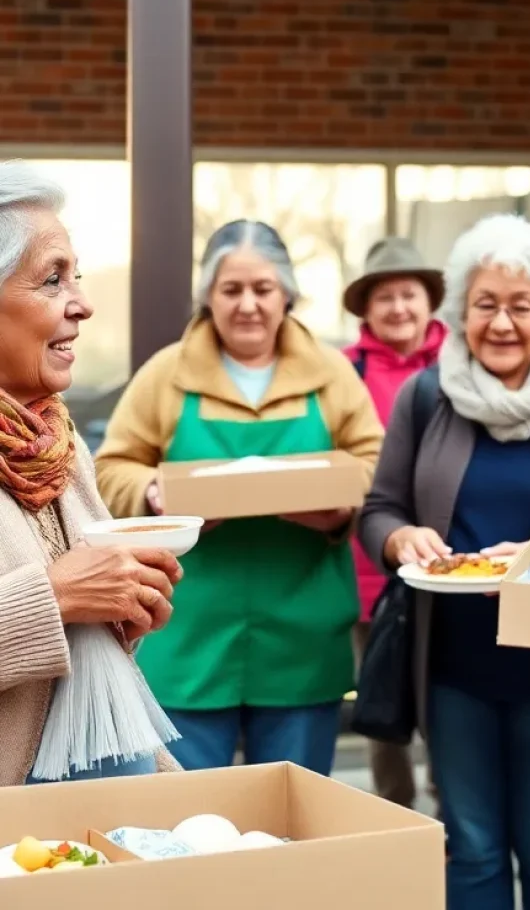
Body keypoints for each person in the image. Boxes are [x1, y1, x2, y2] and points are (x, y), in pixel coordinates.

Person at [358, 214, 530, 910]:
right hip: (453, 670)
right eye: (486, 305)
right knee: (472, 847)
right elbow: (379, 509)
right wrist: (401, 542)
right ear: (460, 312)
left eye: (522, 306)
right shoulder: (428, 397)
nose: (503, 323)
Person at [95, 219, 383, 776]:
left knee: (294, 823)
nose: (248, 305)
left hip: (303, 636)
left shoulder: (333, 375)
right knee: (186, 824)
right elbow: (110, 467)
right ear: (208, 298)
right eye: (231, 290)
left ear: (287, 295)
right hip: (187, 635)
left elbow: (375, 463)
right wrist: (155, 493)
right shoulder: (165, 374)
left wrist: (339, 507)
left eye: (262, 289)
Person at [0, 160, 182, 786]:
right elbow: (54, 600)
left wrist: (124, 608)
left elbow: (74, 636)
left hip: (83, 826)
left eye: (75, 276)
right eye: (53, 280)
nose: (83, 303)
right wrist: (54, 598)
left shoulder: (56, 440)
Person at [342, 236, 447, 808]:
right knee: (380, 701)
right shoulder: (345, 370)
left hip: (452, 564)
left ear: (430, 301)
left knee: (444, 702)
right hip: (370, 570)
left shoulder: (462, 362)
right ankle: (395, 812)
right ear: (366, 308)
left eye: (409, 294)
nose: (399, 308)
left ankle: (451, 813)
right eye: (385, 297)